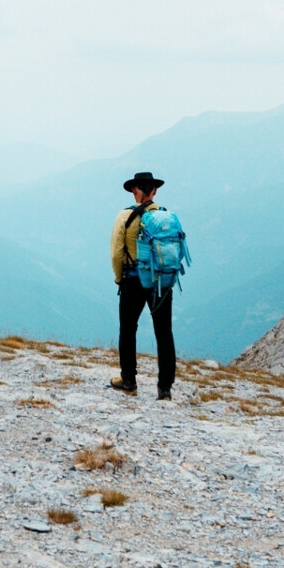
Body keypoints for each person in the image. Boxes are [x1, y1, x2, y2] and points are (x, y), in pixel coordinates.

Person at [109, 170, 175, 399]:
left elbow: (117, 253)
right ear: (154, 191)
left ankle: (129, 380)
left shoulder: (124, 217)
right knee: (164, 332)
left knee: (128, 329)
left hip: (133, 280)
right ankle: (164, 388)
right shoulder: (165, 217)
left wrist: (119, 278)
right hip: (161, 282)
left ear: (135, 191)